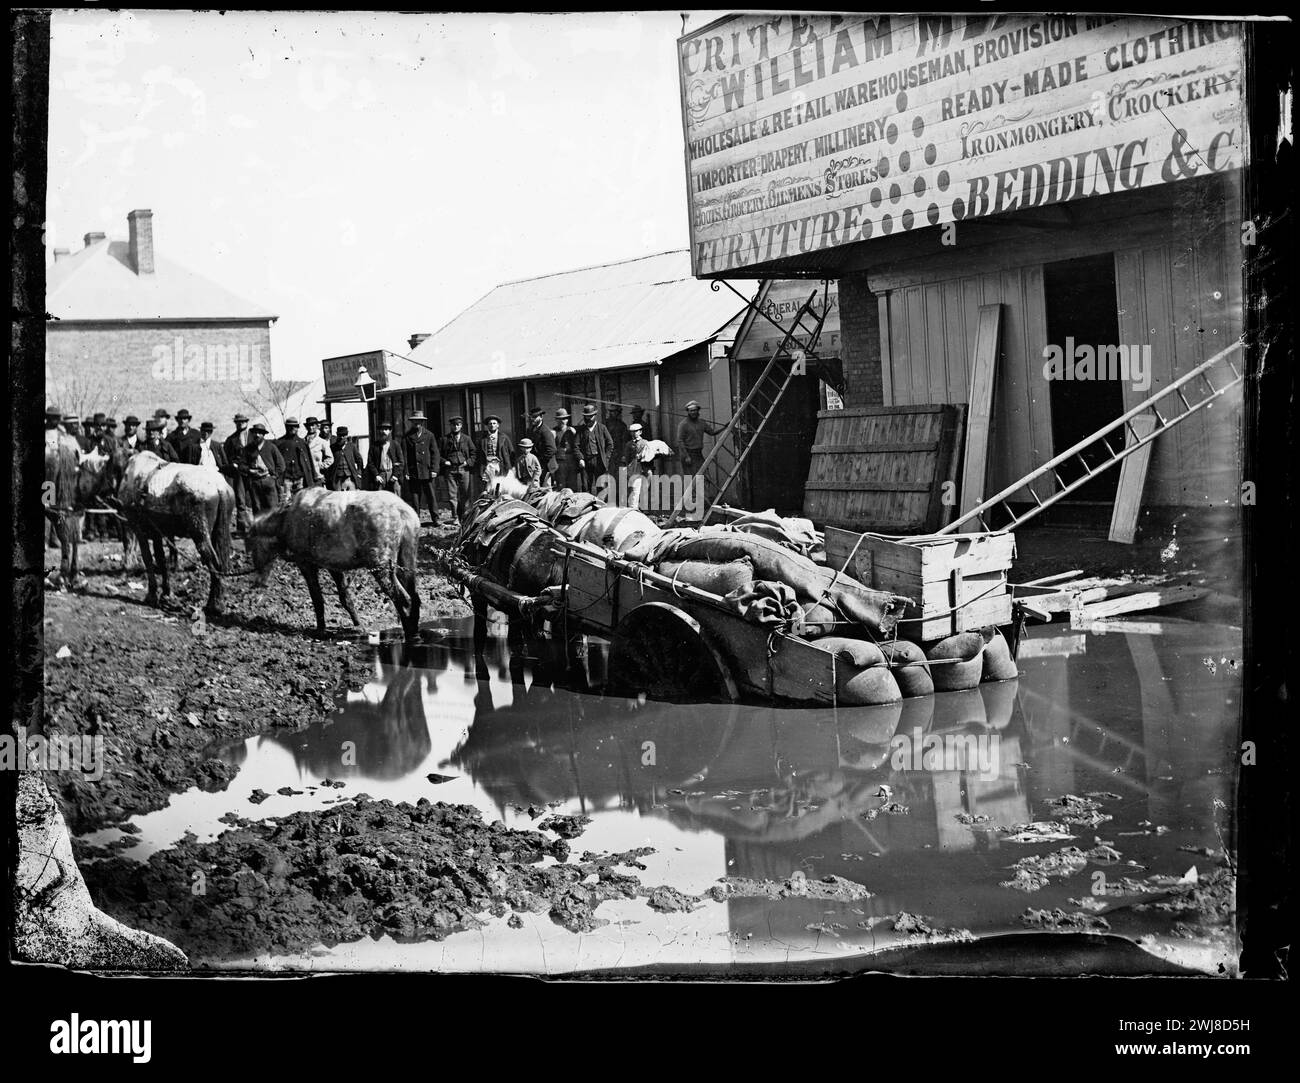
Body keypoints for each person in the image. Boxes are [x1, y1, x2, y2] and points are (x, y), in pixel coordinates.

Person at [403, 410, 442, 525]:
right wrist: (406, 471)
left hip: (427, 471)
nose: (417, 423)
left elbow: (435, 453)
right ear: (412, 422)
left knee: (431, 496)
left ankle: (436, 518)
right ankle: (416, 519)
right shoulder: (407, 436)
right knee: (415, 497)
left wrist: (434, 469)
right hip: (413, 471)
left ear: (422, 422)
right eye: (414, 421)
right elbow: (404, 455)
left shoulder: (429, 435)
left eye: (419, 421)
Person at [223, 413, 253, 534]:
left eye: (243, 422)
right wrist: (233, 464)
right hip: (239, 473)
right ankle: (241, 528)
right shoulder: (231, 439)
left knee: (253, 500)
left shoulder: (254, 436)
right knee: (240, 501)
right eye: (238, 422)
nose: (240, 424)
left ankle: (255, 527)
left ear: (247, 422)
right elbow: (226, 457)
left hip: (253, 472)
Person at [244, 423, 284, 514]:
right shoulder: (248, 449)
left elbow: (281, 464)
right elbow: (242, 465)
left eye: (260, 433)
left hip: (268, 481)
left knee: (272, 508)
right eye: (255, 433)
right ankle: (260, 528)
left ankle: (273, 528)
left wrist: (273, 476)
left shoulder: (271, 447)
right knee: (257, 508)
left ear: (263, 434)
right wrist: (249, 470)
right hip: (254, 482)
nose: (257, 435)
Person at [440, 415, 475, 519]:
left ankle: (465, 516)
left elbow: (474, 453)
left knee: (465, 493)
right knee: (452, 495)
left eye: (458, 425)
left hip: (464, 469)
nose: (455, 427)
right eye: (453, 425)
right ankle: (455, 516)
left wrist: (468, 462)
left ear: (461, 426)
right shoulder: (444, 439)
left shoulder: (467, 439)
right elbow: (438, 454)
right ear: (450, 426)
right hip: (450, 470)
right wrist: (444, 461)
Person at [575, 403, 614, 495]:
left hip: (599, 461)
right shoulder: (581, 430)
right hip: (586, 461)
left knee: (600, 486)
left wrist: (606, 458)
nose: (588, 419)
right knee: (585, 486)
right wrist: (580, 458)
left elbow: (610, 444)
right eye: (586, 417)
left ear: (595, 416)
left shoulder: (602, 428)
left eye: (590, 416)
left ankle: (601, 507)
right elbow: (576, 446)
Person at [676, 400, 723, 476]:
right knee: (692, 479)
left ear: (698, 410)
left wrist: (725, 426)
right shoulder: (683, 424)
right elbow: (680, 441)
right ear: (688, 412)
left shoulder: (702, 422)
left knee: (705, 475)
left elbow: (712, 432)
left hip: (698, 454)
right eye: (691, 411)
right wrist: (687, 456)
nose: (693, 412)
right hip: (688, 454)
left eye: (695, 410)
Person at [275, 417, 317, 503]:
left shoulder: (302, 443)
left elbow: (309, 462)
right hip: (286, 479)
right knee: (286, 504)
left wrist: (313, 477)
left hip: (300, 478)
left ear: (298, 427)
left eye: (295, 426)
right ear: (286, 427)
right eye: (290, 426)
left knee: (301, 503)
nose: (293, 428)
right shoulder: (280, 443)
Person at [475, 414, 514, 489]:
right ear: (487, 426)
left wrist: (510, 467)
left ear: (498, 425)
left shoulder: (504, 438)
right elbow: (478, 455)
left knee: (501, 487)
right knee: (488, 488)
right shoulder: (482, 439)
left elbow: (511, 453)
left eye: (494, 423)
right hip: (487, 466)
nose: (492, 425)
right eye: (490, 424)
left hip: (500, 466)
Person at [366, 419, 404, 493]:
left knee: (395, 499)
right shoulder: (374, 446)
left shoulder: (395, 445)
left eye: (386, 429)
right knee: (380, 499)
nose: (383, 432)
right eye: (381, 429)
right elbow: (370, 463)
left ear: (390, 431)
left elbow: (401, 462)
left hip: (393, 473)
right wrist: (376, 475)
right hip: (381, 475)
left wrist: (395, 475)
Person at [622, 421, 652, 509]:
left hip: (645, 468)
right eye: (632, 431)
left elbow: (651, 456)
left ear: (640, 432)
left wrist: (643, 456)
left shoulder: (646, 443)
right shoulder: (629, 444)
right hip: (634, 469)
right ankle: (633, 508)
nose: (634, 433)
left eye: (636, 431)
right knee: (634, 489)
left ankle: (644, 508)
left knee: (645, 489)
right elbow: (627, 458)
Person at [525, 407, 557, 488]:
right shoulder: (530, 430)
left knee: (546, 488)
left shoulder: (545, 431)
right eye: (532, 417)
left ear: (541, 417)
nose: (533, 419)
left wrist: (540, 461)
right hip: (536, 466)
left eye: (535, 417)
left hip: (547, 466)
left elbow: (552, 449)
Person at [552, 408, 581, 491]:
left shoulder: (572, 430)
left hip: (571, 461)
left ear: (567, 420)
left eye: (564, 419)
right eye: (560, 419)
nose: (562, 421)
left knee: (572, 485)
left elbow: (576, 446)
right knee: (561, 485)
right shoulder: (554, 432)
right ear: (556, 420)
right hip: (560, 462)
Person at [331, 426, 364, 490]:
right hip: (337, 478)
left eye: (344, 435)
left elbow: (359, 460)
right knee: (338, 497)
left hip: (350, 477)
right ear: (337, 435)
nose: (342, 437)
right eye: (340, 435)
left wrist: (359, 472)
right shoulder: (333, 447)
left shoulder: (351, 446)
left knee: (351, 496)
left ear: (347, 435)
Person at [304, 416, 333, 488]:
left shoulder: (322, 442)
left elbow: (330, 458)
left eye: (313, 425)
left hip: (317, 476)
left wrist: (321, 466)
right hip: (305, 477)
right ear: (306, 427)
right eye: (309, 425)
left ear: (317, 426)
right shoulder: (302, 442)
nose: (311, 427)